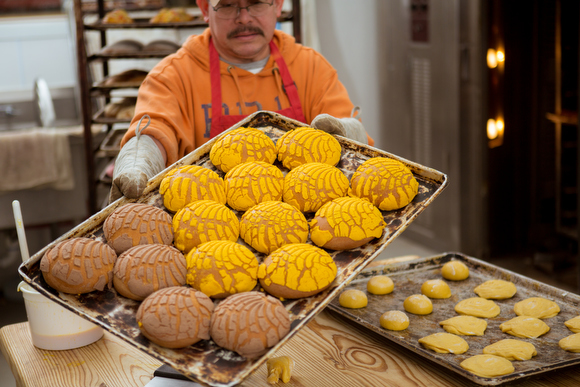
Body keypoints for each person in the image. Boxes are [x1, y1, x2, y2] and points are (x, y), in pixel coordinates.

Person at [110, 0, 374, 202]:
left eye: (257, 2)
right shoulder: (173, 76)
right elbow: (156, 130)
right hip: (206, 233)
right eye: (227, 5)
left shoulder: (310, 67)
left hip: (304, 223)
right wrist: (140, 158)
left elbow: (358, 147)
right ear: (205, 8)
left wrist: (348, 132)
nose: (244, 18)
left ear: (278, 5)